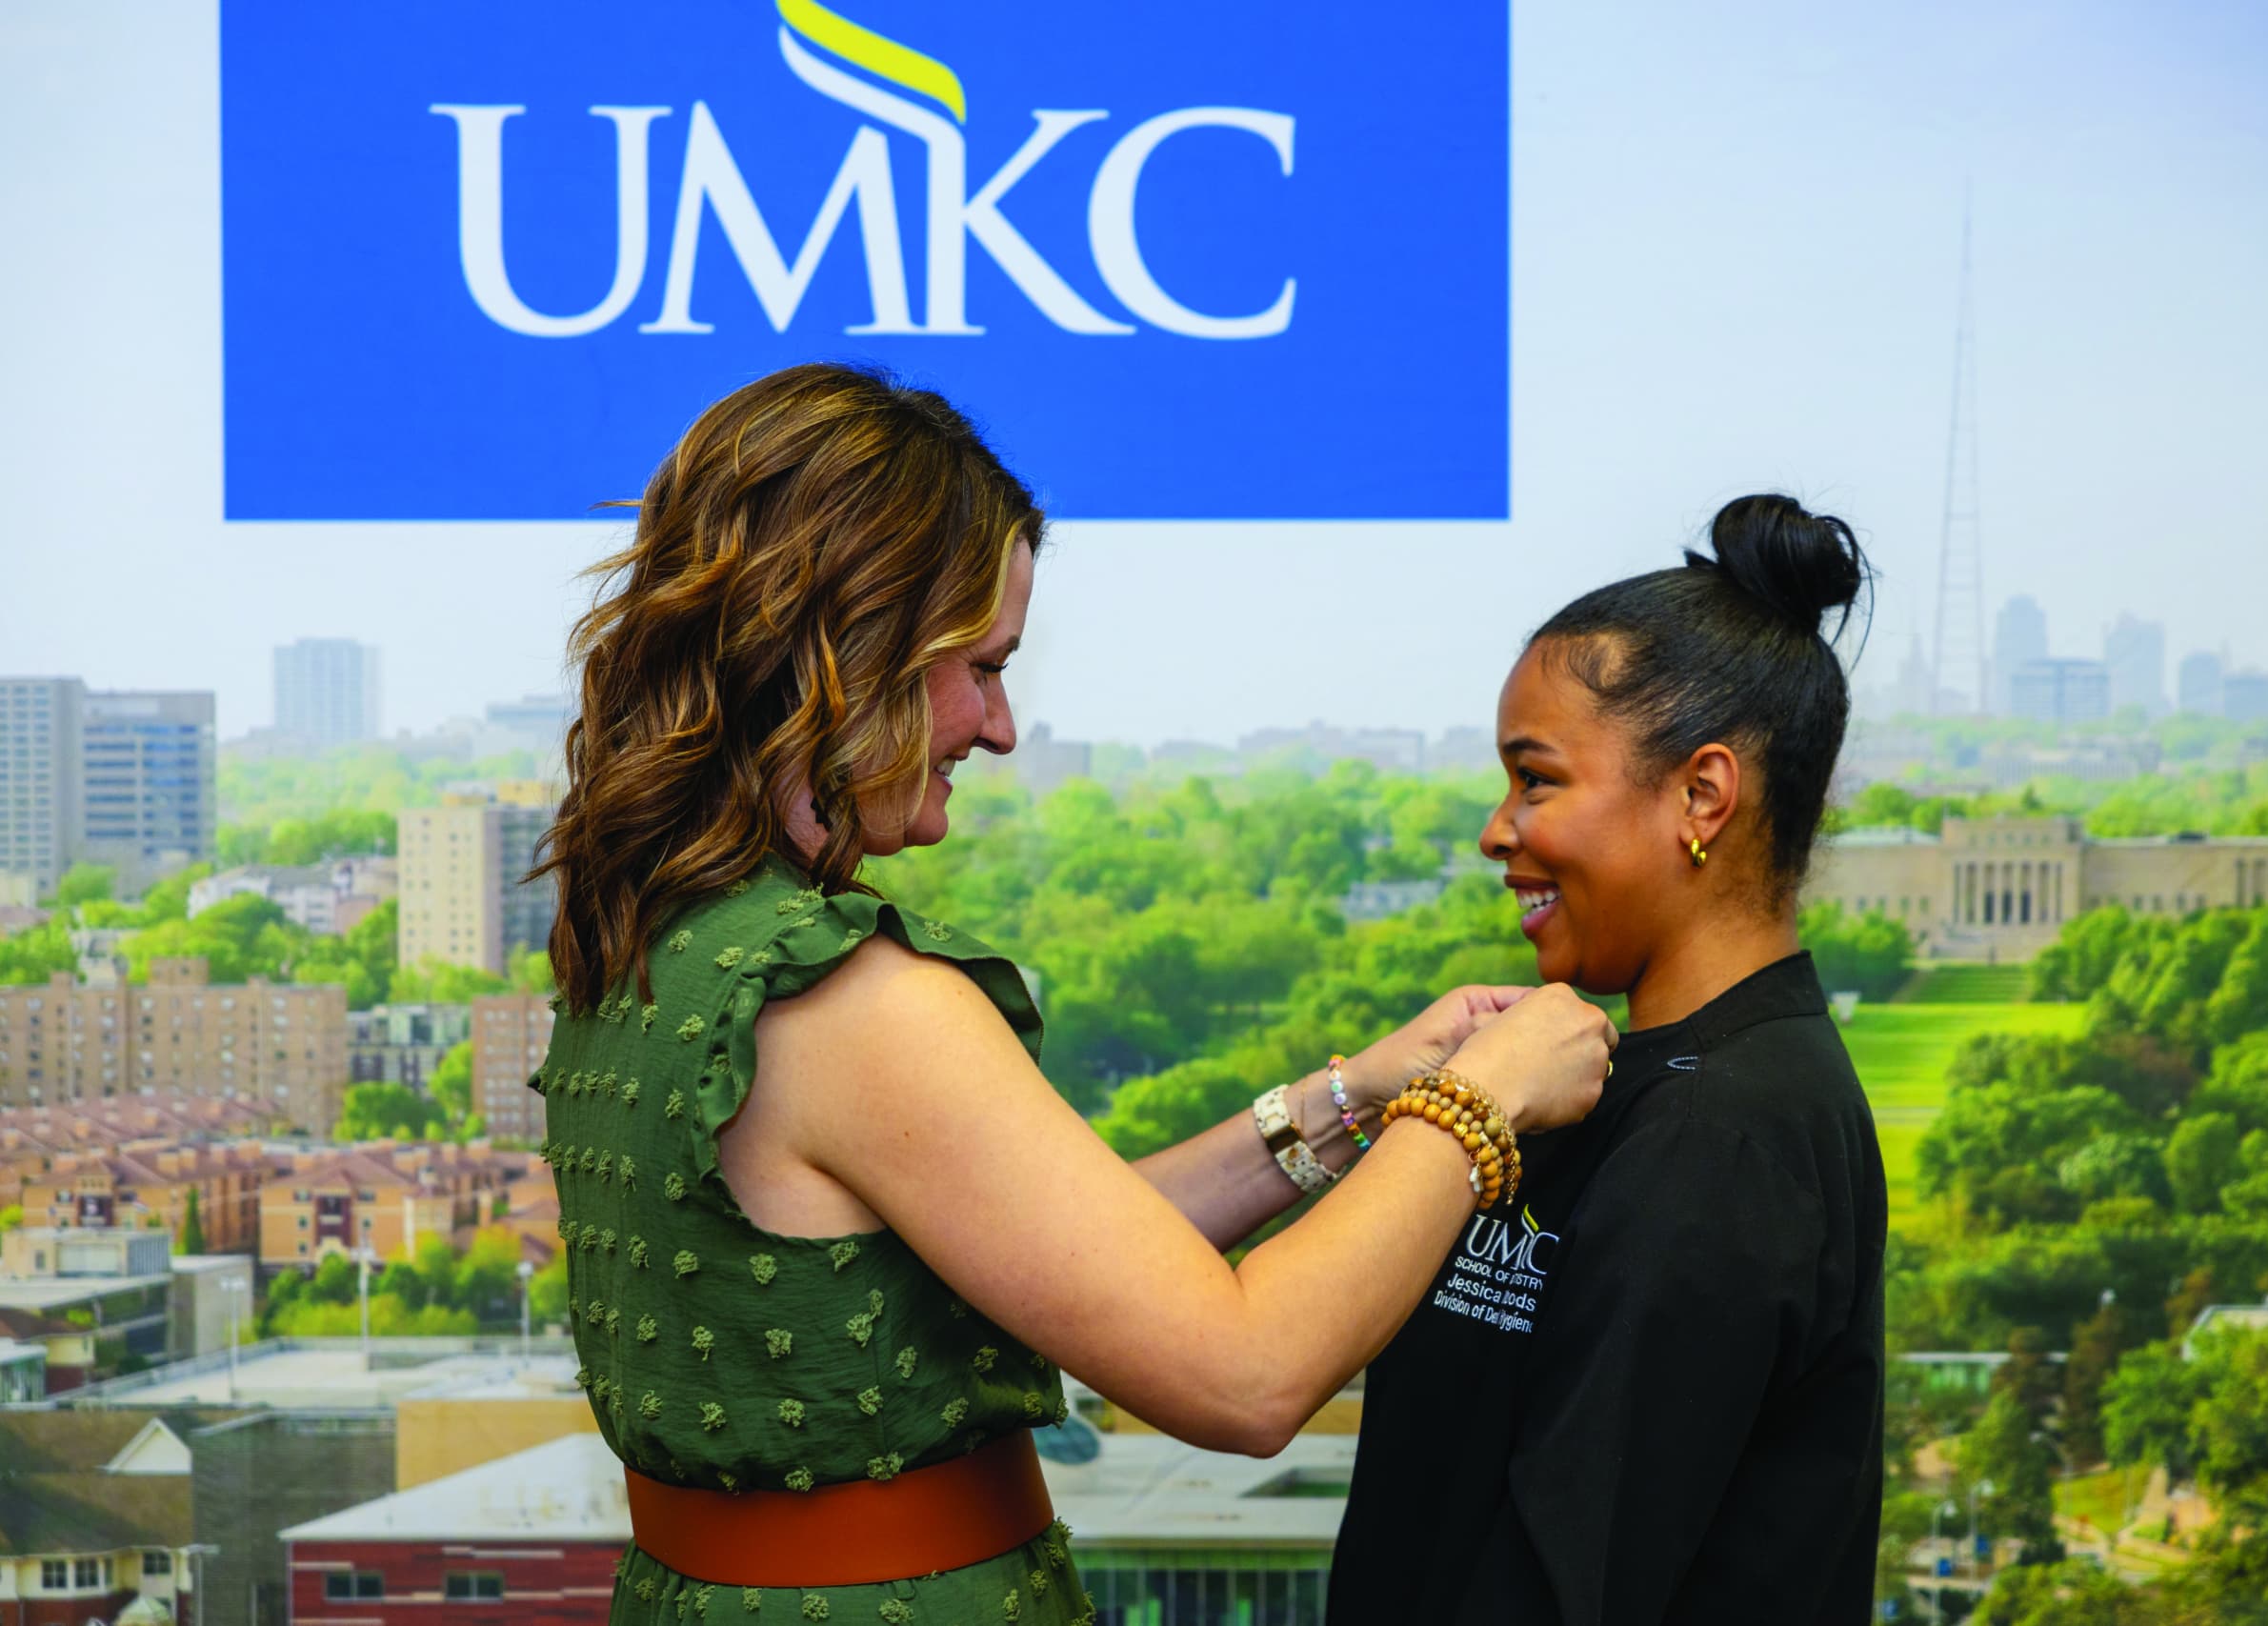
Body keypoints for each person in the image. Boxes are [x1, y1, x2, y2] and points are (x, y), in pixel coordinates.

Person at [532, 362, 1616, 1626]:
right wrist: (1478, 1104)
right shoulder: (851, 1001)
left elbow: (1051, 1251)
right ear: (849, 640)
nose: (999, 727)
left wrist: (1352, 1098)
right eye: (983, 664)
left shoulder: (651, 938)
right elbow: (1248, 1375)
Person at [1330, 494, 1891, 1624]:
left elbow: (1571, 1578)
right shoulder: (1637, 1089)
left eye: (1535, 779)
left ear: (1701, 795)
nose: (1496, 830)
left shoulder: (1722, 1135)